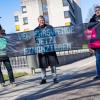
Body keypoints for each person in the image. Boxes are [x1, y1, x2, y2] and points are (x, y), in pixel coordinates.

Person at [34, 16, 59, 84]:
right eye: (40, 20)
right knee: (43, 66)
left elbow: (54, 36)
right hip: (41, 50)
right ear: (38, 21)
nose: (41, 21)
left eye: (42, 20)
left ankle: (55, 78)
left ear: (44, 20)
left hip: (50, 49)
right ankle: (43, 79)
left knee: (52, 65)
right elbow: (35, 40)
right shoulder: (36, 30)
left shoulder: (50, 27)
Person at [89, 6, 100, 80]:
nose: (97, 11)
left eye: (99, 10)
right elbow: (88, 27)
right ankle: (99, 74)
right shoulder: (92, 19)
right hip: (96, 43)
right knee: (98, 59)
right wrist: (96, 22)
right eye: (96, 10)